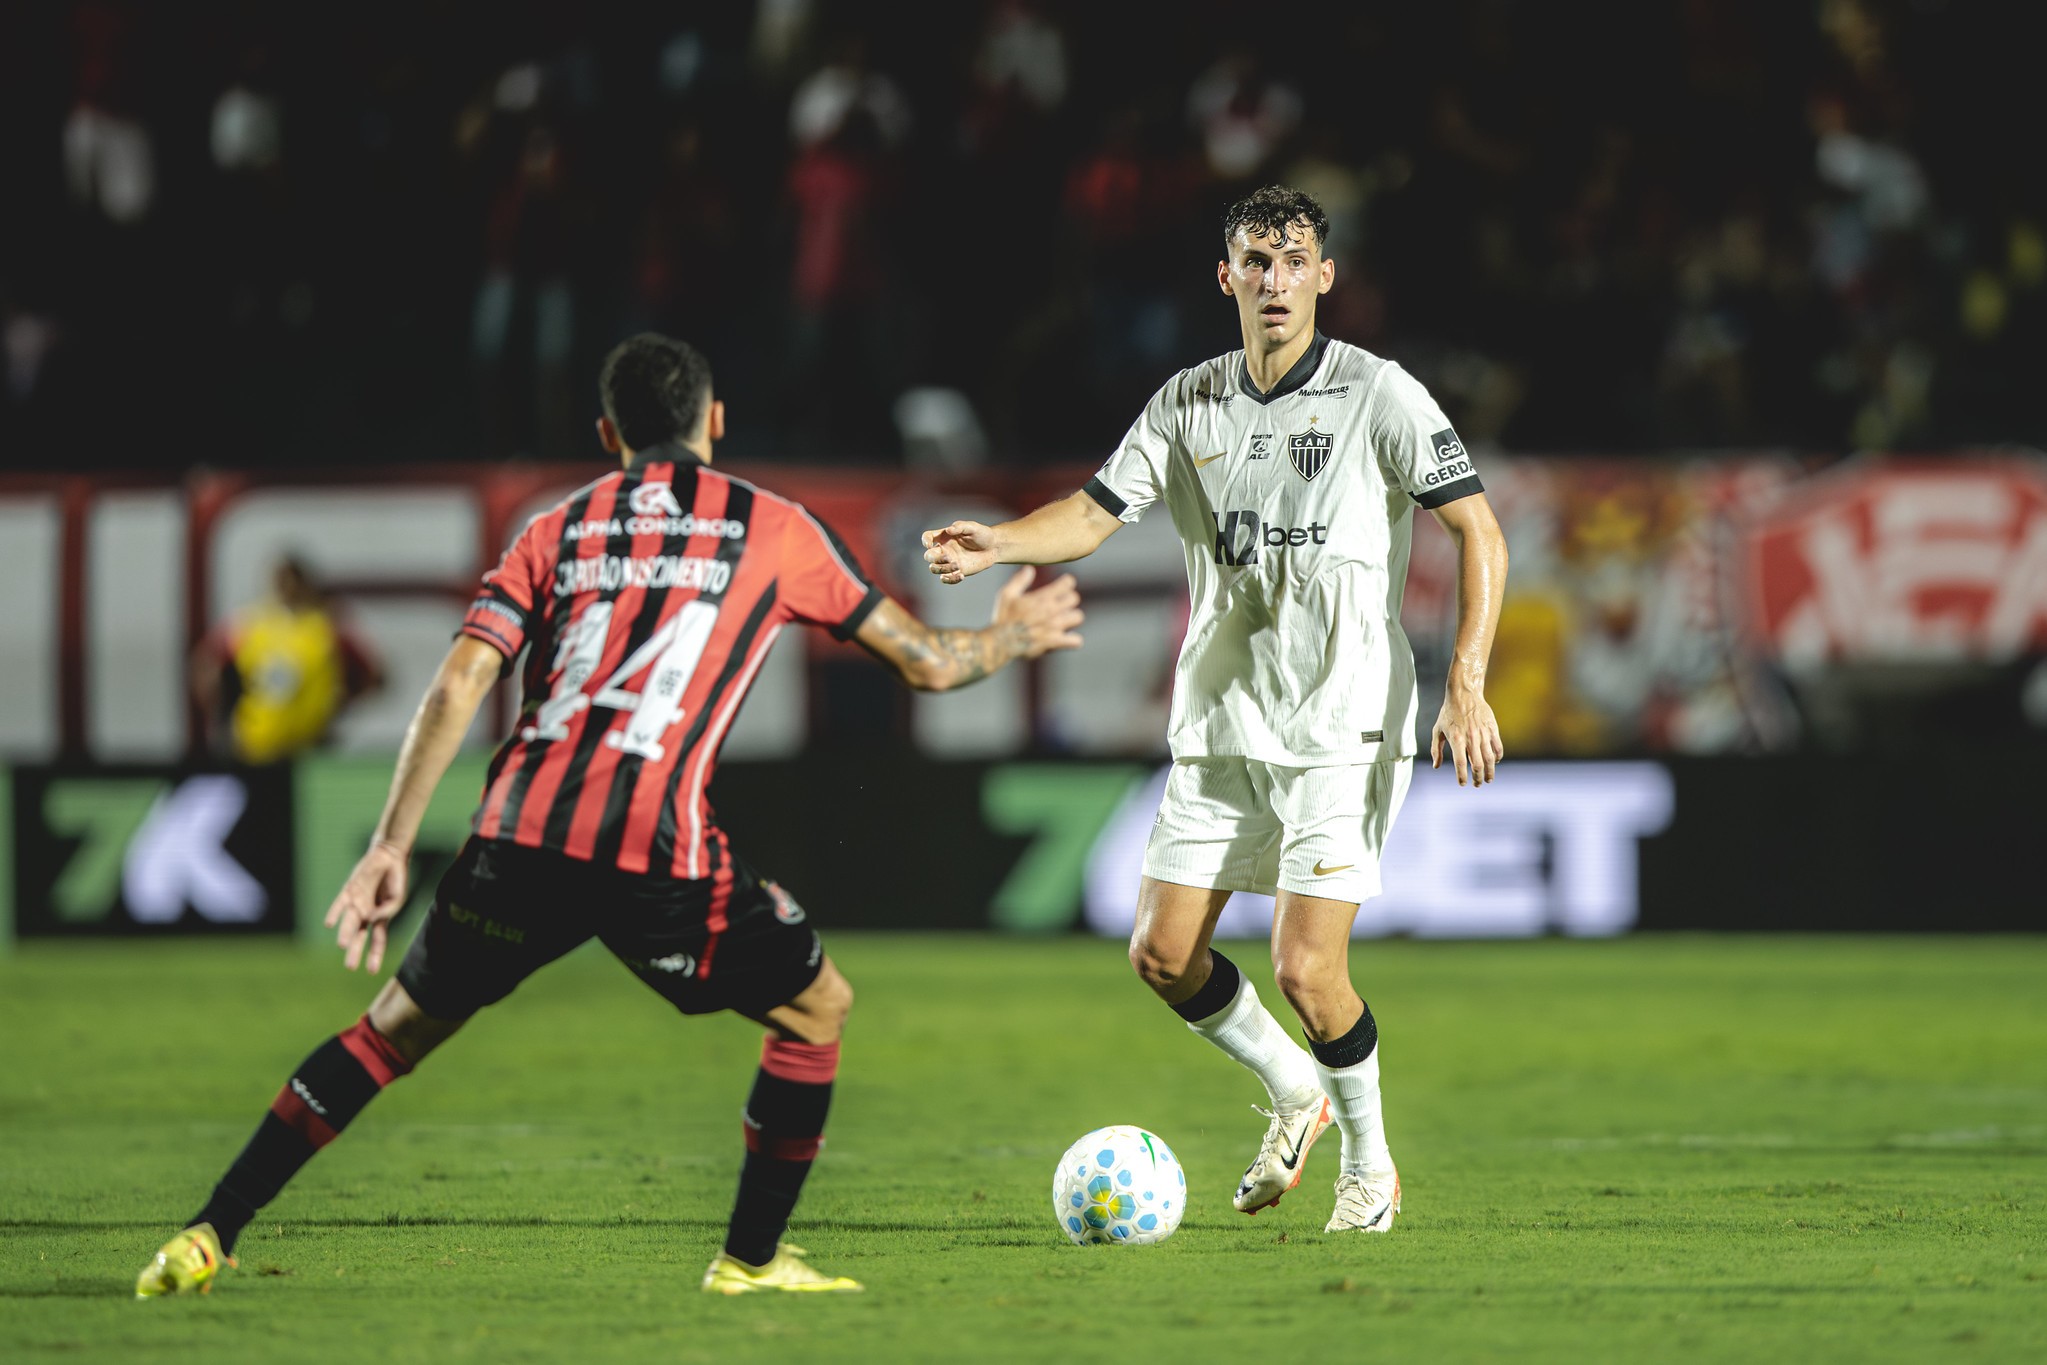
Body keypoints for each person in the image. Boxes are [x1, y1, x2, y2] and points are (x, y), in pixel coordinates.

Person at [137, 333, 1084, 1299]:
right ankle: (748, 1260)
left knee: (387, 1034)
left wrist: (389, 844)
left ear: (607, 433)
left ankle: (208, 1232)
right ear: (715, 422)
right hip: (654, 852)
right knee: (815, 1006)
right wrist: (1011, 635)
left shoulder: (556, 528)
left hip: (516, 831)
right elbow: (923, 662)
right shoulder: (777, 528)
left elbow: (465, 674)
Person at [923, 186, 1508, 1234]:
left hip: (1343, 725)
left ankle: (1370, 1170)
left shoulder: (1380, 395)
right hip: (1223, 721)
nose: (1274, 279)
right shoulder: (1187, 403)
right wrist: (998, 540)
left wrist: (1464, 681)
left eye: (1293, 261)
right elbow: (1095, 514)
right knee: (1159, 953)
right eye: (1254, 259)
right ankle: (1297, 1092)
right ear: (1225, 276)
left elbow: (1479, 530)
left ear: (1324, 278)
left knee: (1304, 967)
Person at [191, 556, 385, 764]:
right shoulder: (249, 625)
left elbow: (374, 676)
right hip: (254, 746)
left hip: (310, 750)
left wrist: (337, 707)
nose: (288, 589)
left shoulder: (326, 628)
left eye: (293, 582)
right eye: (282, 581)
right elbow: (207, 664)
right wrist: (223, 709)